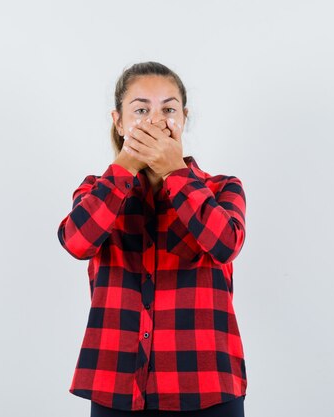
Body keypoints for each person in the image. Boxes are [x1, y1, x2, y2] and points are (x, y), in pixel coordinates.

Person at [57, 62, 248, 417]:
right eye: (141, 110)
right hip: (116, 387)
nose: (156, 121)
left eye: (168, 109)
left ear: (184, 118)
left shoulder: (222, 188)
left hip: (206, 386)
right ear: (119, 121)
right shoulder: (95, 190)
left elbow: (225, 245)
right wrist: (127, 163)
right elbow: (76, 242)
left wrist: (176, 173)